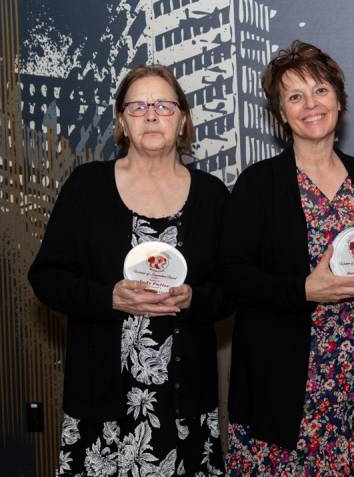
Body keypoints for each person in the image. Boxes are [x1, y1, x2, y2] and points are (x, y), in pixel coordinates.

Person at [28, 65, 230, 475]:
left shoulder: (212, 196)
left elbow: (231, 289)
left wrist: (195, 298)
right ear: (121, 120)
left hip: (185, 409)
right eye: (137, 106)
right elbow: (46, 278)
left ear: (183, 119)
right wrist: (109, 297)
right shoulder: (86, 187)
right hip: (101, 408)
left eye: (163, 105)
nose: (151, 115)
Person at [221, 40, 354, 475]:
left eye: (320, 91)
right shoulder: (256, 185)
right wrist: (304, 288)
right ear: (281, 114)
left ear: (339, 100)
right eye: (295, 96)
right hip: (281, 392)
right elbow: (232, 277)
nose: (311, 105)